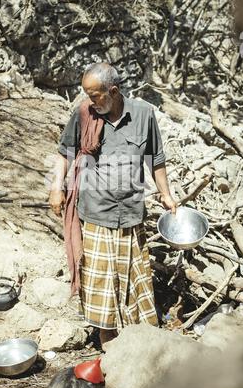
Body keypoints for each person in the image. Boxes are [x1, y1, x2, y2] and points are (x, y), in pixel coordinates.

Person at [49, 62, 177, 350]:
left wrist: (166, 194)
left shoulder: (144, 115)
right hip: (95, 212)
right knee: (102, 286)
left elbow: (155, 160)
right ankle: (108, 345)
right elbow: (64, 153)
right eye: (87, 95)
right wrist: (56, 187)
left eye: (95, 95)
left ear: (114, 91)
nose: (90, 101)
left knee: (133, 281)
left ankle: (136, 344)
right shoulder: (84, 114)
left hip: (131, 213)